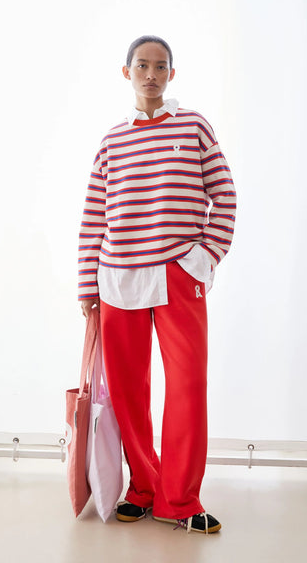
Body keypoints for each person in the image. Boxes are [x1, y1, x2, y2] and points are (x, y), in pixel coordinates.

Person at [78, 35, 236, 534]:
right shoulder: (112, 140)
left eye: (161, 66)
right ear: (127, 72)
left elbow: (225, 194)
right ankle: (143, 488)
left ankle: (180, 500)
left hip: (177, 274)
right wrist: (86, 286)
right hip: (117, 276)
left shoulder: (193, 126)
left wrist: (203, 258)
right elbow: (93, 215)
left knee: (187, 387)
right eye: (142, 65)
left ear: (172, 73)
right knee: (128, 392)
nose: (151, 74)